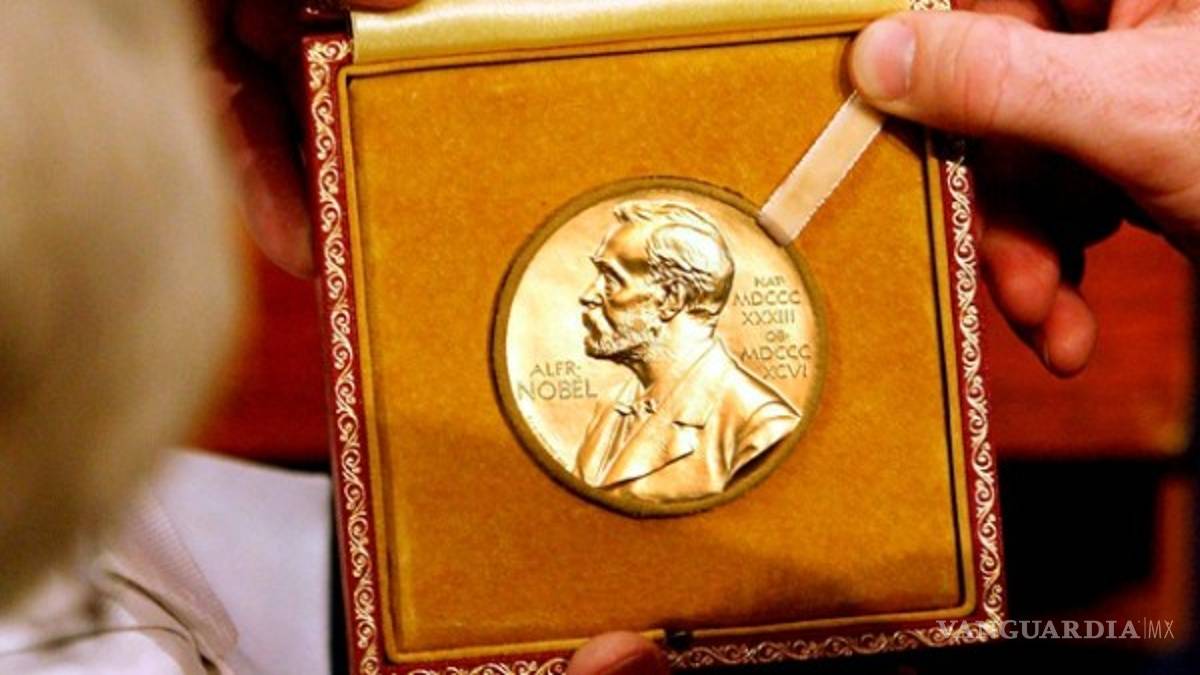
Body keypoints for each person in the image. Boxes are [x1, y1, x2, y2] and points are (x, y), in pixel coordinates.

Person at [214, 0, 1200, 673]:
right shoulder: (616, 423)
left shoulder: (744, 421)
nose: (587, 298)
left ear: (680, 301)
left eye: (614, 279)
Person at [575, 200, 800, 501]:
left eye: (611, 280)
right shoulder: (611, 405)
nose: (588, 296)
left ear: (671, 299)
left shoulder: (760, 428)